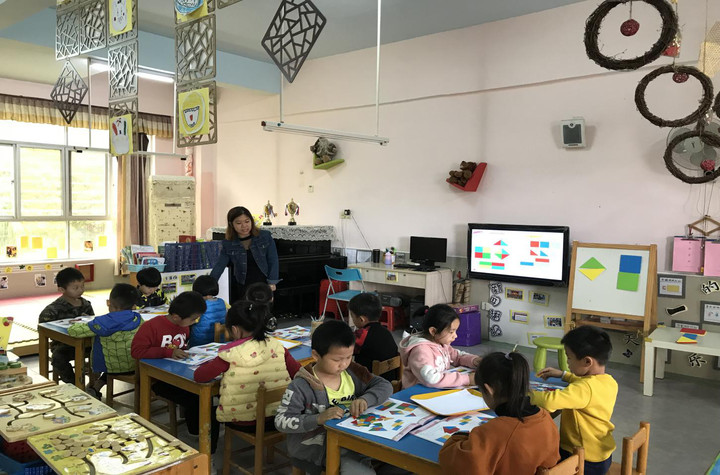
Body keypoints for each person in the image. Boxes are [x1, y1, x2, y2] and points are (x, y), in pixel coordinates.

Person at [274, 319, 393, 474]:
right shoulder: (301, 386)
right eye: (337, 360)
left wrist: (365, 399)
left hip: (356, 439)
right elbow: (281, 421)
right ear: (316, 355)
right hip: (319, 448)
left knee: (400, 459)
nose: (344, 364)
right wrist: (318, 419)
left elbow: (385, 385)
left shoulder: (353, 371)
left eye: (349, 357)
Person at [194, 283, 301, 432]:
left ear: (235, 330)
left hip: (244, 421)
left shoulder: (231, 354)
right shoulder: (277, 346)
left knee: (208, 412)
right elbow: (297, 372)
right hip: (278, 417)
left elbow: (199, 376)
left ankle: (206, 446)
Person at [439, 352, 560, 473]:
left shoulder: (494, 432)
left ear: (489, 390)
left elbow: (453, 462)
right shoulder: (545, 417)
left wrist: (459, 437)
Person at [130, 291, 220, 451]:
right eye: (193, 319)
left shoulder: (184, 327)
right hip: (157, 380)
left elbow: (181, 349)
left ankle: (200, 434)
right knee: (197, 398)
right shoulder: (152, 326)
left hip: (180, 374)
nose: (195, 322)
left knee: (206, 395)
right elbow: (136, 351)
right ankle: (200, 438)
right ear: (177, 317)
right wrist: (167, 352)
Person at [532, 326, 618, 475]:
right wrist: (564, 375)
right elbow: (585, 383)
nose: (567, 362)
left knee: (538, 459)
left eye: (569, 358)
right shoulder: (609, 381)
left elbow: (548, 402)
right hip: (601, 454)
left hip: (582, 459)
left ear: (587, 361)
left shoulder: (583, 389)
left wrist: (526, 392)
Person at [68, 283, 142, 399]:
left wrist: (77, 324)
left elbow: (74, 332)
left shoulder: (101, 322)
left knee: (108, 358)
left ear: (109, 303)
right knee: (117, 358)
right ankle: (94, 388)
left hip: (110, 367)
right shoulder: (138, 319)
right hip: (135, 365)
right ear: (134, 306)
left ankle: (91, 387)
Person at [399, 304, 480, 388]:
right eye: (451, 332)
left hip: (434, 390)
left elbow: (457, 357)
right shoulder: (420, 351)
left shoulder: (440, 343)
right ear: (433, 331)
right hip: (416, 392)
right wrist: (467, 379)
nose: (455, 336)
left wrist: (474, 361)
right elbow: (431, 378)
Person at [210, 206, 280, 303]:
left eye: (247, 221)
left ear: (251, 221)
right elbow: (220, 265)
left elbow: (273, 260)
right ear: (231, 224)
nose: (244, 226)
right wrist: (209, 284)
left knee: (263, 310)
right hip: (243, 284)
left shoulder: (265, 236)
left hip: (263, 283)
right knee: (245, 309)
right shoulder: (228, 243)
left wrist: (272, 282)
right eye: (238, 223)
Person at [39, 267, 95, 384]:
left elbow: (93, 323)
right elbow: (43, 329)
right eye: (75, 288)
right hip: (64, 346)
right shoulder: (53, 309)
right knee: (58, 358)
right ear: (61, 289)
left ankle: (94, 384)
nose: (80, 290)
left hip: (86, 343)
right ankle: (74, 385)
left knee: (106, 349)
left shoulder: (86, 304)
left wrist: (87, 320)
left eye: (82, 286)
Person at [349, 293, 398, 381]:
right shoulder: (386, 331)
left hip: (369, 382)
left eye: (352, 316)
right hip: (389, 381)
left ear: (361, 319)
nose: (352, 319)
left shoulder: (362, 334)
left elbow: (342, 349)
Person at [188, 275, 227, 347]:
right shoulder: (223, 302)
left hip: (200, 344)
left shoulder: (199, 305)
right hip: (220, 342)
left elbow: (189, 321)